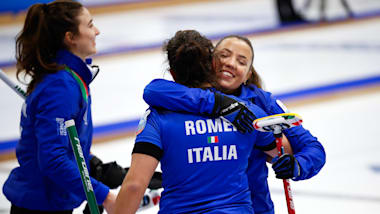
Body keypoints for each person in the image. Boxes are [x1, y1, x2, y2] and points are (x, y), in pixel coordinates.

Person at [143, 34, 326, 214]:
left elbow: (313, 148)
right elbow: (153, 90)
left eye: (241, 61)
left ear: (248, 74)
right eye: (224, 55)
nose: (230, 63)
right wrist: (219, 103)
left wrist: (298, 165)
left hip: (255, 208)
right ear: (210, 62)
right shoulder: (188, 95)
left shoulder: (261, 102)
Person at [114, 30, 279, 214]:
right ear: (213, 65)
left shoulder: (157, 118)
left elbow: (134, 186)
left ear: (172, 73)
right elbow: (282, 152)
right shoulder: (247, 112)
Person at [2, 1, 117, 213]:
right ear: (70, 38)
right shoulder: (60, 87)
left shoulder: (69, 79)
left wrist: (92, 164)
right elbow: (53, 159)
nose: (97, 31)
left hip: (51, 199)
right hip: (41, 204)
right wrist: (104, 195)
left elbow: (59, 144)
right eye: (90, 25)